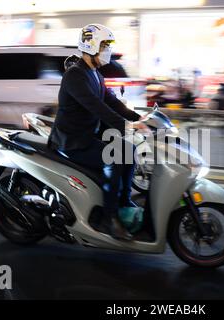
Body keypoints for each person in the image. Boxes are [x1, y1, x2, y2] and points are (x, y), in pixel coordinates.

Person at [48, 24, 149, 241]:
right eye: (105, 45)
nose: (108, 51)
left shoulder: (94, 74)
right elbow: (97, 107)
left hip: (86, 137)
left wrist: (138, 118)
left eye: (108, 46)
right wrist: (126, 125)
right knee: (114, 158)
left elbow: (111, 101)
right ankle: (109, 219)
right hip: (72, 143)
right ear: (91, 46)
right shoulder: (75, 75)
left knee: (128, 151)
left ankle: (123, 202)